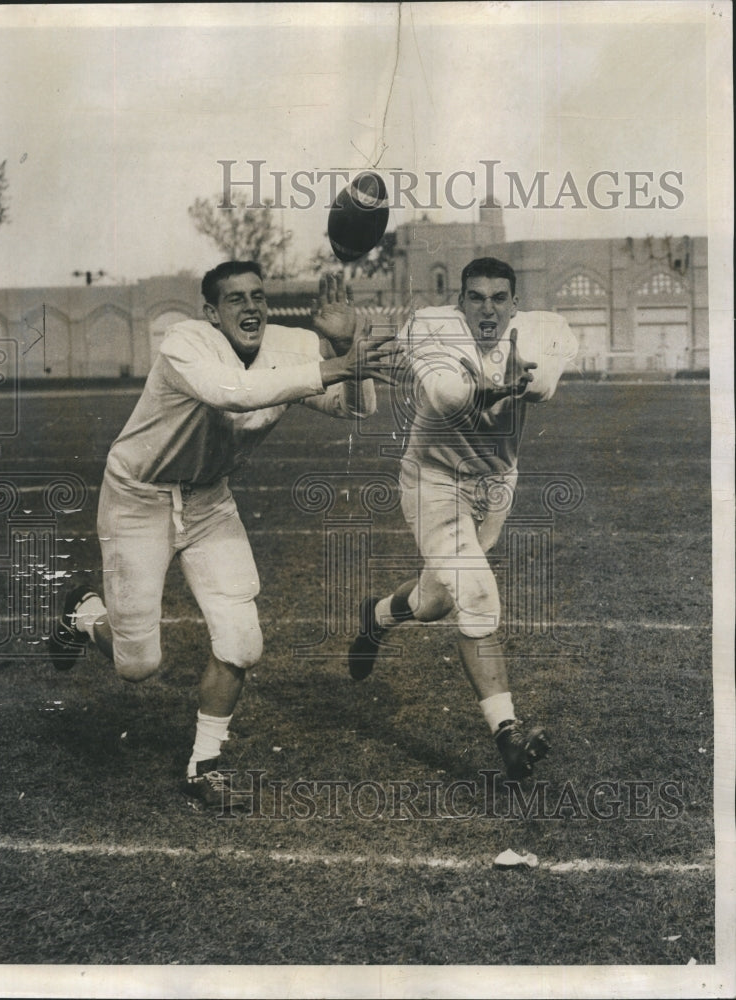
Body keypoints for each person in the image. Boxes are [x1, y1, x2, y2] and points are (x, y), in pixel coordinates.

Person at [48, 262, 397, 807]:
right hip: (139, 498)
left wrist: (347, 351)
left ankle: (204, 764)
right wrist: (333, 366)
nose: (250, 307)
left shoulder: (294, 345)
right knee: (136, 665)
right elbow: (233, 392)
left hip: (209, 499)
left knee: (242, 640)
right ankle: (83, 613)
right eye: (234, 300)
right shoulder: (184, 342)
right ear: (211, 313)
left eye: (258, 296)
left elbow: (355, 410)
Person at [347, 256, 578, 780]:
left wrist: (525, 381)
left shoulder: (543, 329)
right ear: (460, 303)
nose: (488, 308)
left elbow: (544, 386)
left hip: (496, 482)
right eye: (477, 297)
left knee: (436, 601)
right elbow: (445, 395)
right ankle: (508, 734)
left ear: (515, 304)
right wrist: (500, 389)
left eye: (500, 298)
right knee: (476, 595)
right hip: (435, 480)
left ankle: (377, 616)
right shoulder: (433, 327)